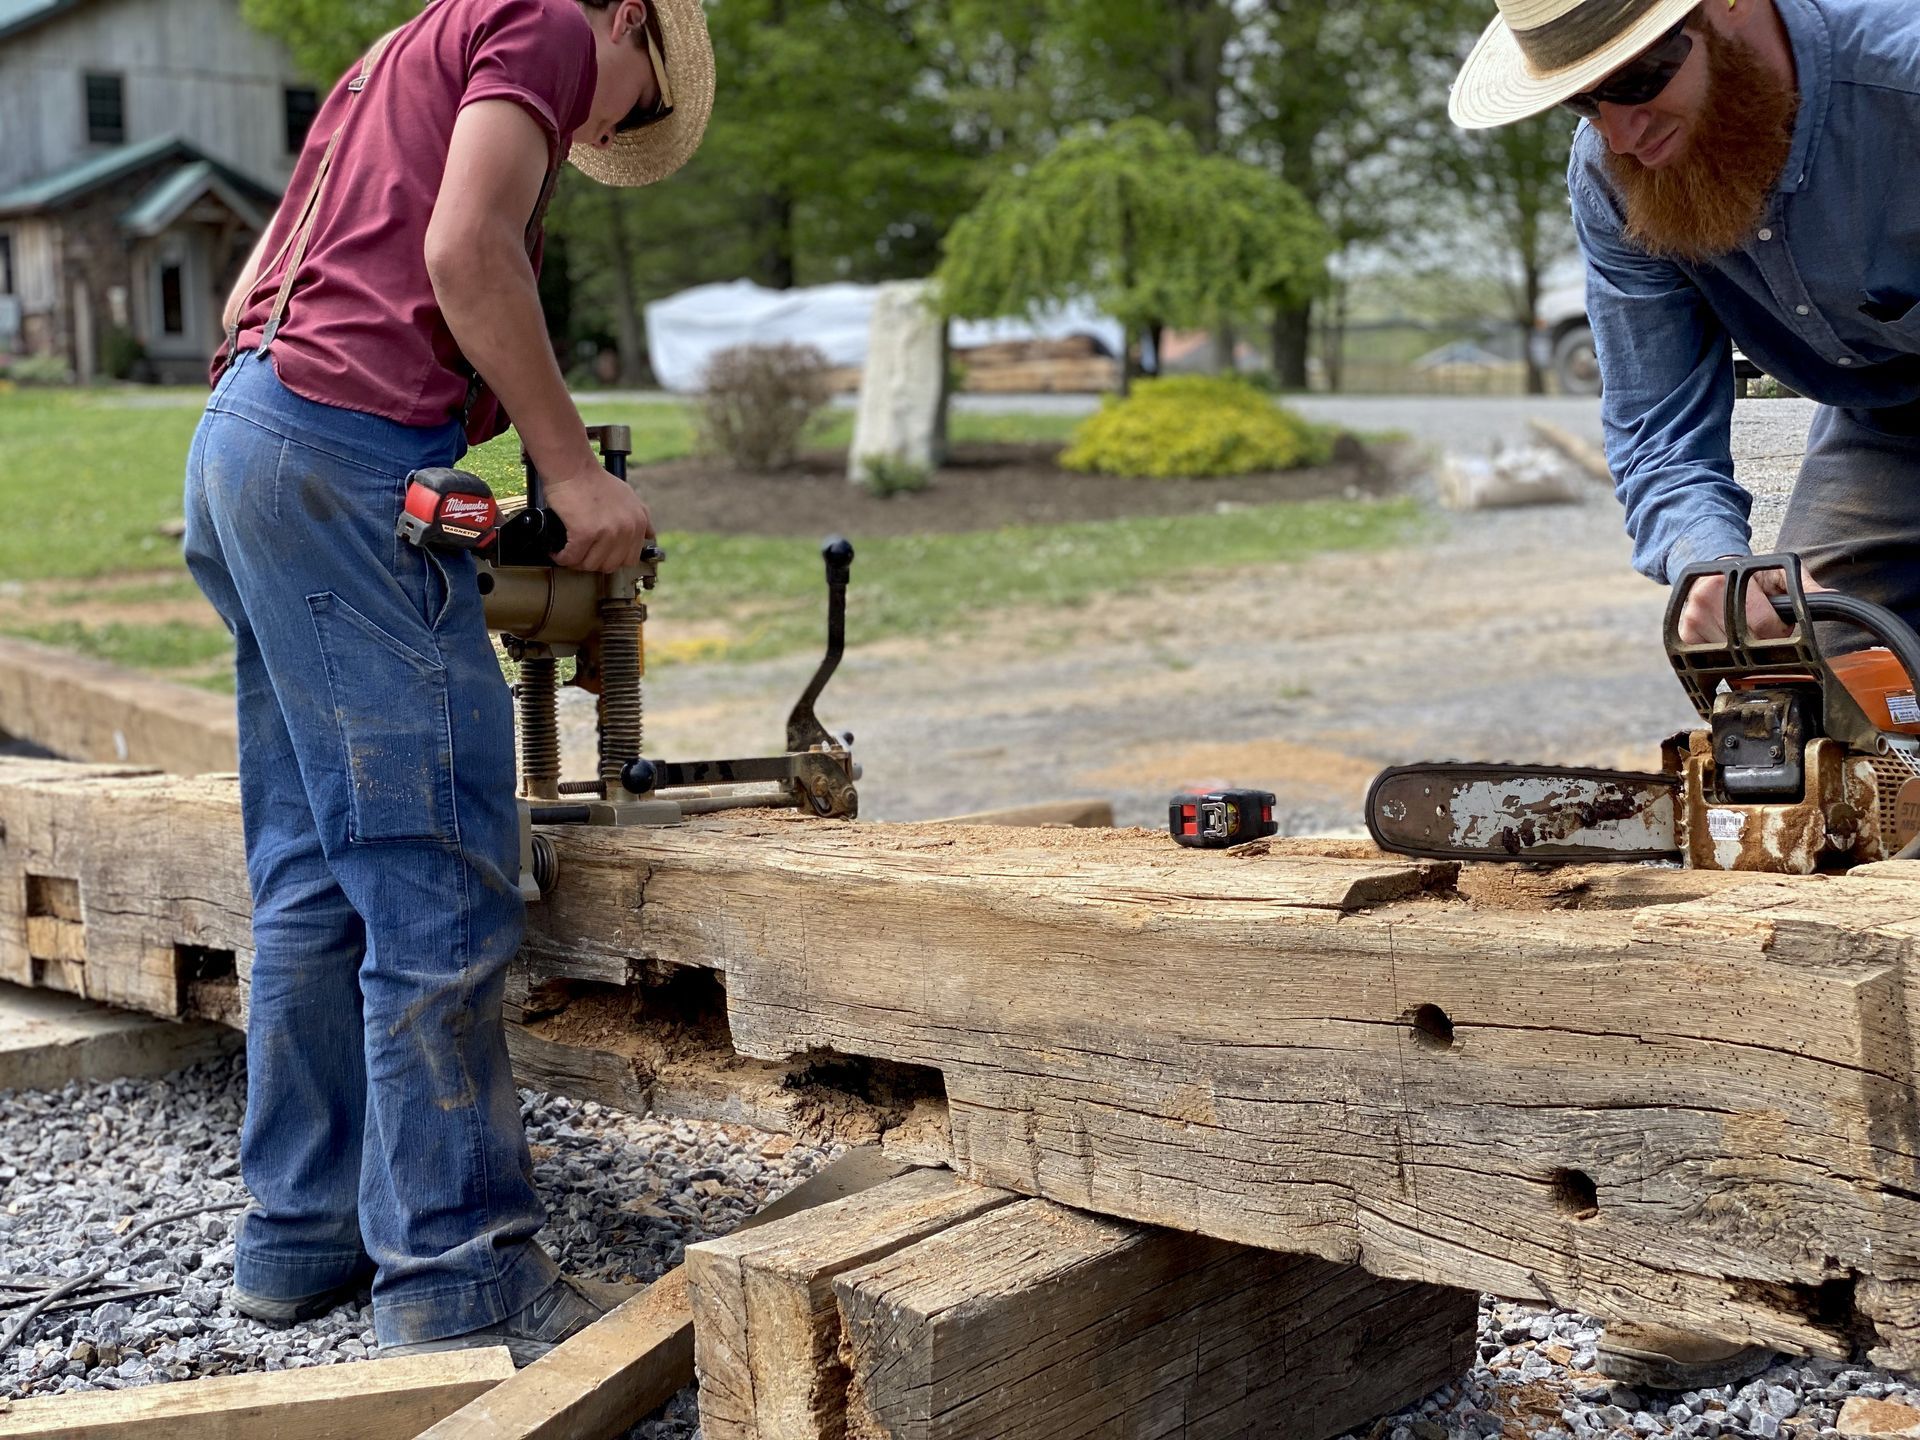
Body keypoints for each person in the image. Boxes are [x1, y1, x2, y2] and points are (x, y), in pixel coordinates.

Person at [182, 0, 711, 1363]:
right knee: (435, 869)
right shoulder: (541, 19)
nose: (607, 130)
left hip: (246, 435)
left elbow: (254, 286)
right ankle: (460, 1271)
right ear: (633, 15)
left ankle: (300, 1236)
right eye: (637, 101)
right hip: (334, 454)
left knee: (309, 866)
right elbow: (468, 252)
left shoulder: (396, 54)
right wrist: (575, 474)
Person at [1449, 0, 1920, 1391]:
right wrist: (1719, 576)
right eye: (1581, 99)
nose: (1622, 124)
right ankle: (1775, 1212)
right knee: (1811, 701)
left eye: (1642, 76)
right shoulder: (1619, 173)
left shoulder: (1902, 76)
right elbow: (1658, 432)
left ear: (1725, 16)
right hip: (1890, 431)